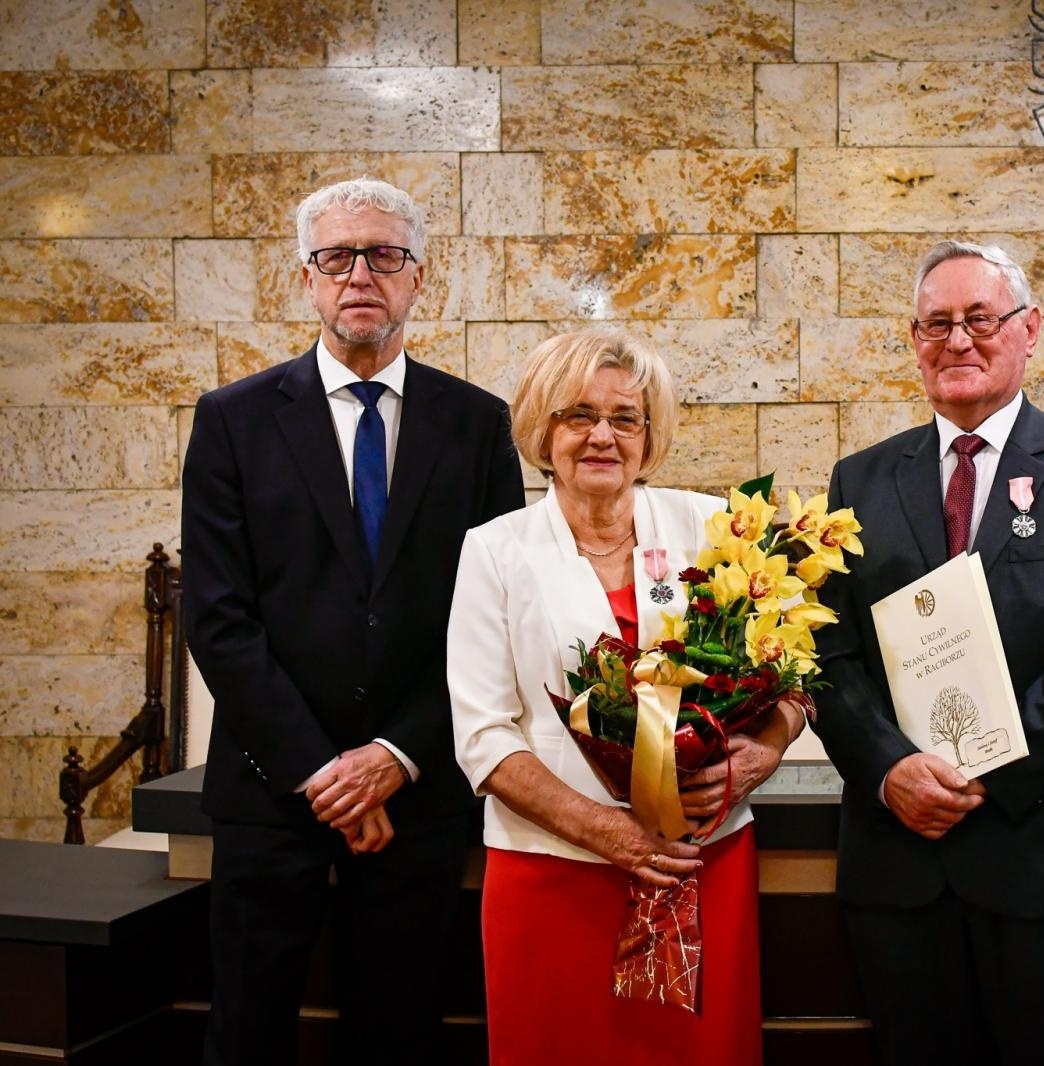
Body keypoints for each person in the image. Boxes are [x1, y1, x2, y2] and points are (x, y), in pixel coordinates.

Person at [181, 177, 525, 1065]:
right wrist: (320, 772)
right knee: (245, 1036)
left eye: (384, 255)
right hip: (271, 789)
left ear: (419, 277)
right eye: (336, 256)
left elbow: (494, 621)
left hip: (417, 793)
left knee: (398, 1036)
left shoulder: (478, 425)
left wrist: (393, 758)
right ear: (307, 277)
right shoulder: (232, 421)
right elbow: (218, 619)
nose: (360, 275)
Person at [810, 240, 1044, 1064]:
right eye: (937, 324)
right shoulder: (858, 482)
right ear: (913, 340)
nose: (958, 340)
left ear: (1029, 329)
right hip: (900, 862)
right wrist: (890, 770)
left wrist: (984, 764)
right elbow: (827, 650)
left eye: (981, 318)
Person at [447, 328, 807, 1065]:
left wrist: (766, 750)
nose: (602, 436)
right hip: (554, 873)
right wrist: (609, 834)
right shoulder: (495, 550)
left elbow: (793, 672)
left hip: (700, 862)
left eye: (625, 418)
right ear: (543, 430)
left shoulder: (711, 526)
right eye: (579, 414)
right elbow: (483, 739)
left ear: (650, 434)